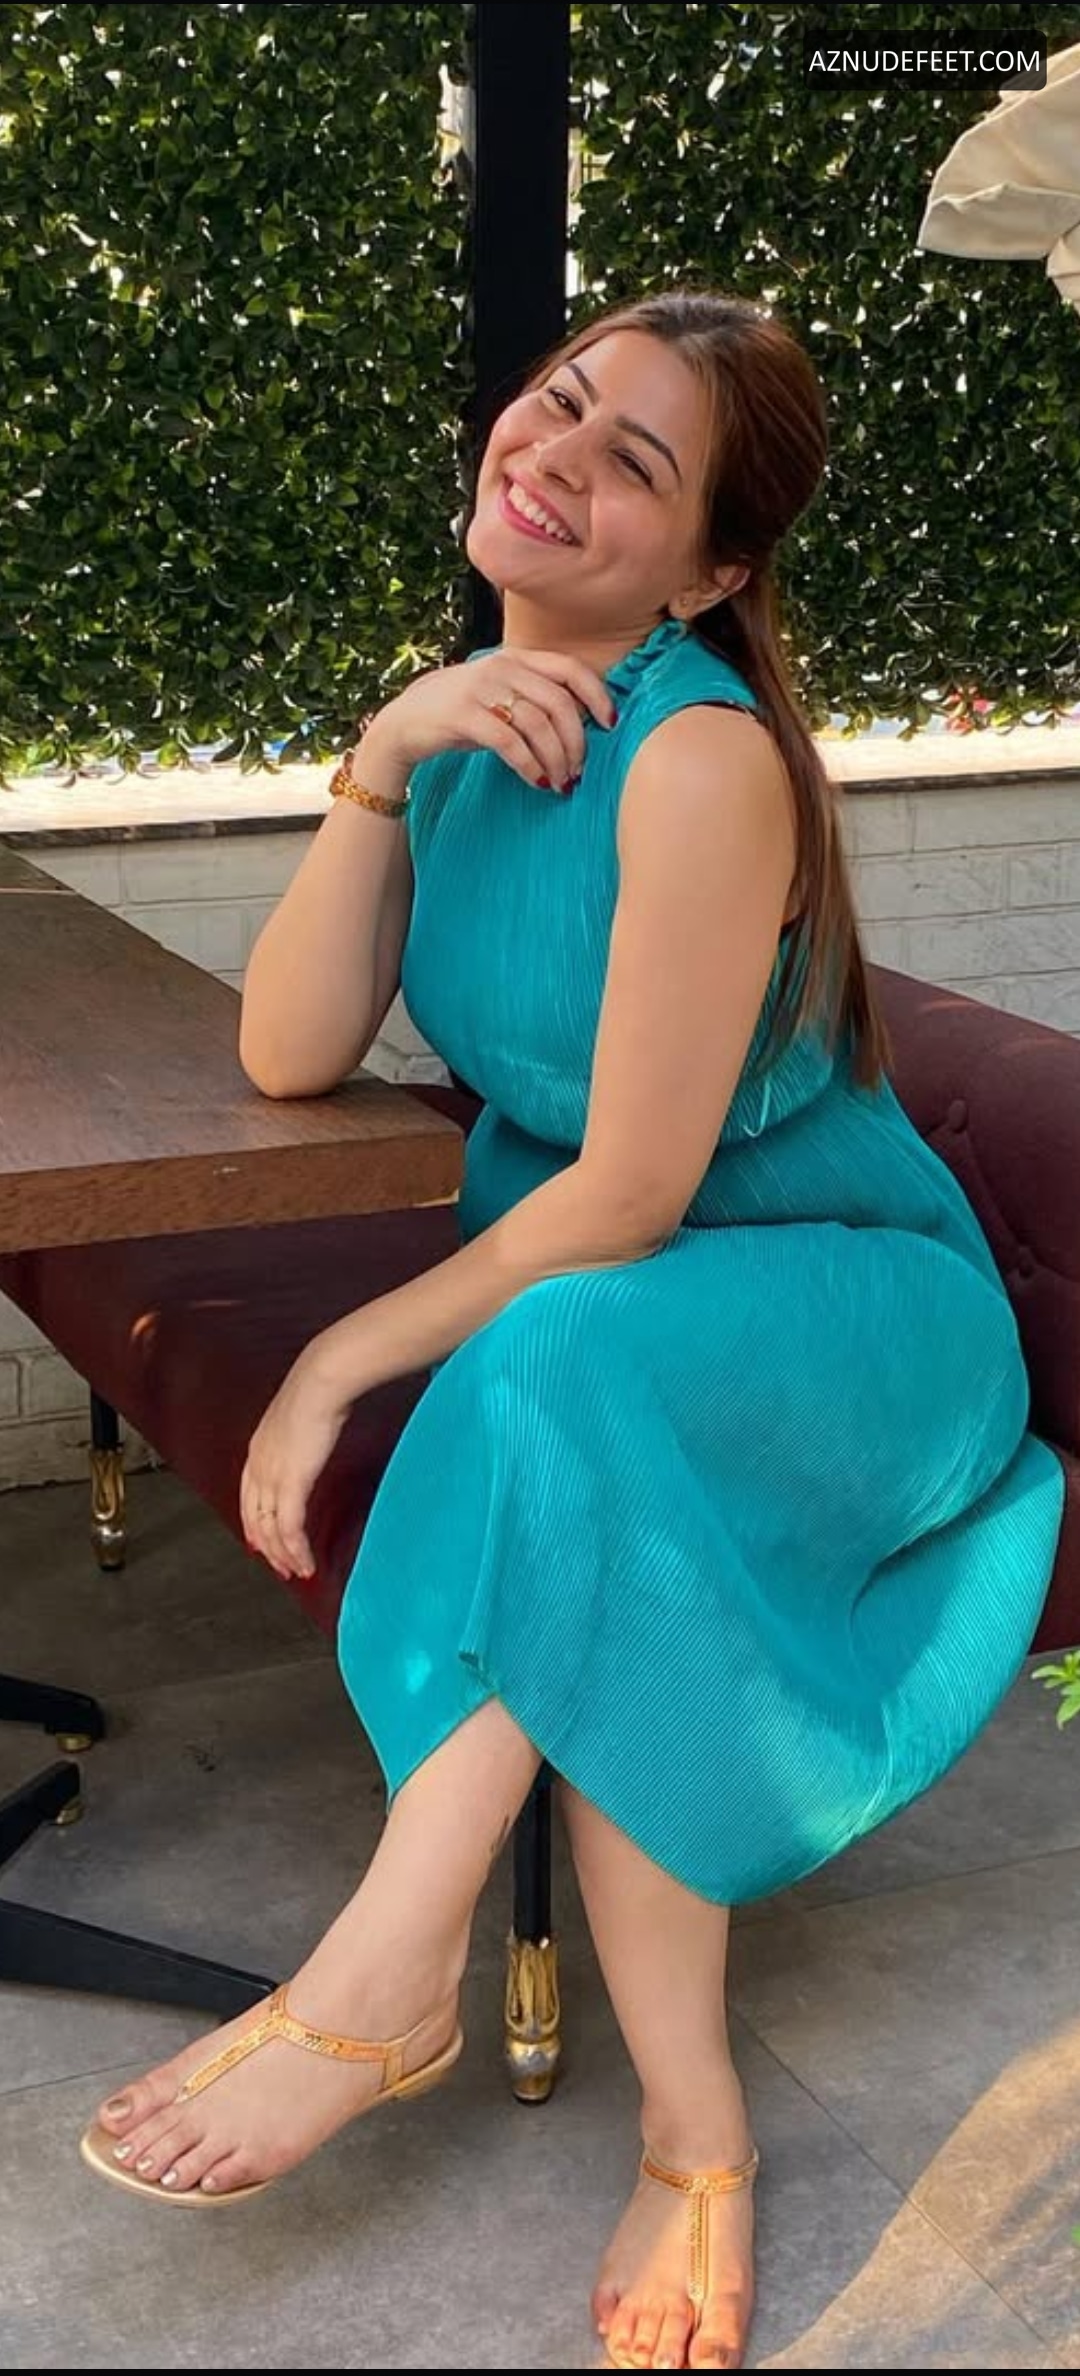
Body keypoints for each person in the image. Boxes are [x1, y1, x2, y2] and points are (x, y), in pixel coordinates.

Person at [79, 290, 1064, 2373]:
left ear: (707, 569)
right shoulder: (477, 731)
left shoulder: (699, 754)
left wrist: (342, 1356)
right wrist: (383, 756)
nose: (556, 459)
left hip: (851, 1315)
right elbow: (285, 1052)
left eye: (637, 462)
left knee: (568, 1360)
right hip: (619, 1320)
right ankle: (696, 2137)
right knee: (597, 1444)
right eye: (560, 403)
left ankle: (387, 1967)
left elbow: (626, 1195)